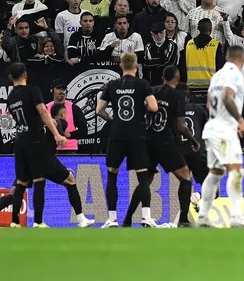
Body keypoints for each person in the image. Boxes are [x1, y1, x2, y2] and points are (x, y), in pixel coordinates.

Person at [122, 65, 200, 228]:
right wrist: (193, 140)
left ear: (162, 76)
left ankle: (127, 219)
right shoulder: (177, 96)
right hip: (164, 142)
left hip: (146, 141)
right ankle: (184, 219)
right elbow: (180, 126)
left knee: (146, 181)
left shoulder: (151, 91)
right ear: (178, 78)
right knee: (185, 177)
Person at [96, 52, 158, 228]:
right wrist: (142, 107)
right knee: (143, 178)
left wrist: (112, 119)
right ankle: (146, 217)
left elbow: (99, 110)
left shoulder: (112, 85)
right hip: (137, 135)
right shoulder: (142, 84)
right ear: (136, 66)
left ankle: (112, 219)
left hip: (117, 135)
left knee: (112, 175)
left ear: (121, 66)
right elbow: (153, 107)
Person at [5, 62, 67, 228]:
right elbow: (43, 112)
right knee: (39, 180)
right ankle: (38, 221)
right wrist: (56, 133)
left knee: (21, 182)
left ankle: (14, 221)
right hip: (35, 140)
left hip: (20, 141)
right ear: (26, 74)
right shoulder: (32, 90)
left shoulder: (11, 97)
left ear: (11, 77)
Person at [196, 45, 244, 227]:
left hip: (211, 128)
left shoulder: (217, 75)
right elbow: (227, 97)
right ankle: (236, 218)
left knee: (216, 172)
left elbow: (209, 102)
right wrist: (239, 121)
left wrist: (222, 121)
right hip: (224, 131)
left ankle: (203, 216)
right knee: (236, 171)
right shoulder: (235, 74)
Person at [46, 78, 87, 153]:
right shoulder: (46, 108)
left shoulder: (73, 108)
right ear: (52, 90)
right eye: (58, 88)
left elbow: (84, 130)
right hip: (50, 149)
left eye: (63, 89)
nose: (61, 91)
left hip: (70, 149)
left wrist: (69, 135)